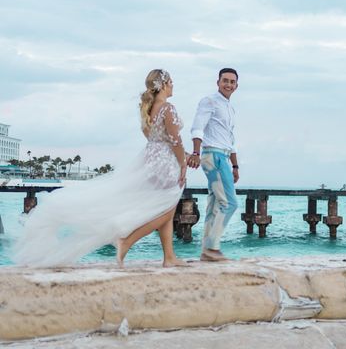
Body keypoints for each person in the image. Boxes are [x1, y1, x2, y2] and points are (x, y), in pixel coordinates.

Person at [13, 69, 187, 268]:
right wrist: (183, 163)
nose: (173, 85)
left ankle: (169, 257)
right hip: (166, 162)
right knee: (165, 208)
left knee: (167, 208)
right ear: (163, 85)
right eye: (171, 81)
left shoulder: (148, 109)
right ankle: (126, 241)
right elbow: (175, 140)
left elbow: (151, 138)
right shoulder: (168, 108)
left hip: (151, 159)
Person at [187, 68, 239, 262]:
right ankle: (212, 248)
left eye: (232, 82)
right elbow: (198, 127)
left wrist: (235, 166)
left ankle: (206, 251)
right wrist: (195, 152)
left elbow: (230, 140)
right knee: (230, 203)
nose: (228, 84)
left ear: (236, 85)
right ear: (218, 82)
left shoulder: (230, 108)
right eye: (225, 80)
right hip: (213, 155)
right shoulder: (209, 101)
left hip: (223, 157)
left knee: (215, 204)